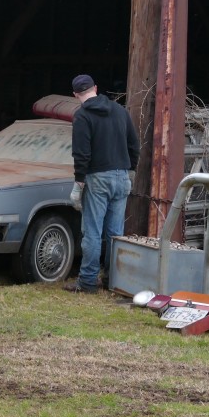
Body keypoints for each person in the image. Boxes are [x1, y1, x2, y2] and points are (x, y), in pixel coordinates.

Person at [66, 74, 140, 293]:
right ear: (96, 88)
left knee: (92, 231)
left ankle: (88, 281)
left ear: (75, 95)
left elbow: (81, 153)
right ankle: (113, 279)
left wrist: (78, 182)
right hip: (122, 177)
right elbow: (134, 145)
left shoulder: (82, 116)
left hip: (97, 178)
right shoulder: (120, 111)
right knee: (115, 233)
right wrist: (131, 170)